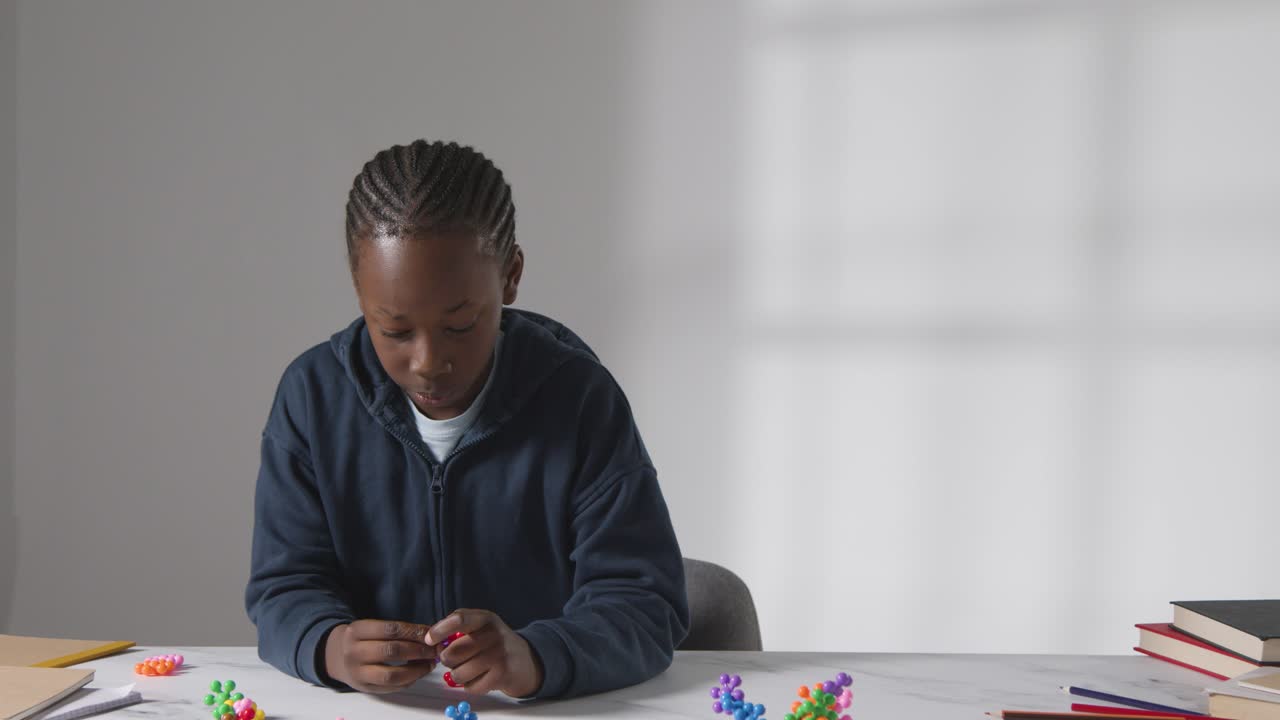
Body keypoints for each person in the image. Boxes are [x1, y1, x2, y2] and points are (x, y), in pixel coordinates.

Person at [244, 140, 688, 700]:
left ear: (511, 276)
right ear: (360, 293)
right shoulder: (311, 399)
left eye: (460, 325)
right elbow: (283, 588)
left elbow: (644, 604)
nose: (429, 363)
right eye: (396, 331)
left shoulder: (580, 401)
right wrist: (329, 646)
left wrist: (535, 656)